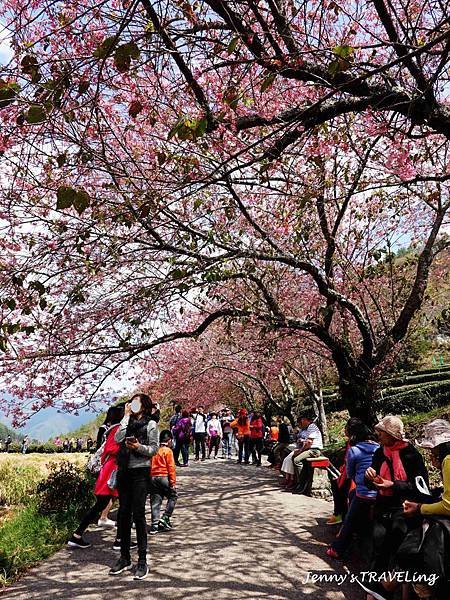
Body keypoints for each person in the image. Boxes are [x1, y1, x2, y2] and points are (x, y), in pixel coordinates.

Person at [359, 415, 431, 600]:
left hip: (404, 509)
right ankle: (374, 592)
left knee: (399, 550)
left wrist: (394, 486)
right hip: (382, 507)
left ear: (392, 435)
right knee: (378, 547)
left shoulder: (412, 455)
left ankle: (392, 591)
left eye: (382, 433)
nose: (378, 436)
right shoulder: (379, 453)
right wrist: (370, 477)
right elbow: (370, 483)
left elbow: (420, 489)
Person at [110, 393, 159, 580]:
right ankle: (124, 557)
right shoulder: (127, 422)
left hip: (140, 473)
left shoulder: (151, 425)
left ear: (144, 406)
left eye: (137, 403)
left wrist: (138, 447)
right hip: (124, 471)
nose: (133, 405)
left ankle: (142, 561)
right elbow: (117, 439)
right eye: (132, 402)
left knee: (138, 515)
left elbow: (154, 450)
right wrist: (125, 416)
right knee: (123, 514)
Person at [401, 419, 450, 600]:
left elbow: (448, 506)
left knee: (427, 536)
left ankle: (426, 585)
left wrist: (420, 508)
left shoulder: (448, 460)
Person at [67, 405, 126, 550]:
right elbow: (111, 449)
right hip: (111, 472)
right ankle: (120, 541)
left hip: (108, 472)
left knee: (100, 505)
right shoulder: (117, 429)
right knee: (122, 505)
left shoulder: (111, 429)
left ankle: (77, 536)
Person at [326, 419, 379, 558]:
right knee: (352, 495)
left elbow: (350, 474)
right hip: (381, 491)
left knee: (349, 519)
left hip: (364, 494)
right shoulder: (379, 447)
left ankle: (337, 549)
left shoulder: (354, 450)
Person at [149, 430, 177, 534]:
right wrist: (173, 482)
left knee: (155, 501)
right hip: (163, 477)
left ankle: (154, 526)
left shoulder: (154, 450)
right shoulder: (168, 451)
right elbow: (171, 467)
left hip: (152, 477)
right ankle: (165, 517)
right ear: (169, 440)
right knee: (173, 496)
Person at [291, 411, 323, 494]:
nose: (301, 423)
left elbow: (309, 443)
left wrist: (301, 450)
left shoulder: (312, 427)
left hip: (314, 450)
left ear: (306, 420)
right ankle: (299, 481)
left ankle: (302, 482)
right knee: (294, 457)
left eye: (302, 421)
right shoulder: (309, 427)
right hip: (311, 449)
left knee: (297, 460)